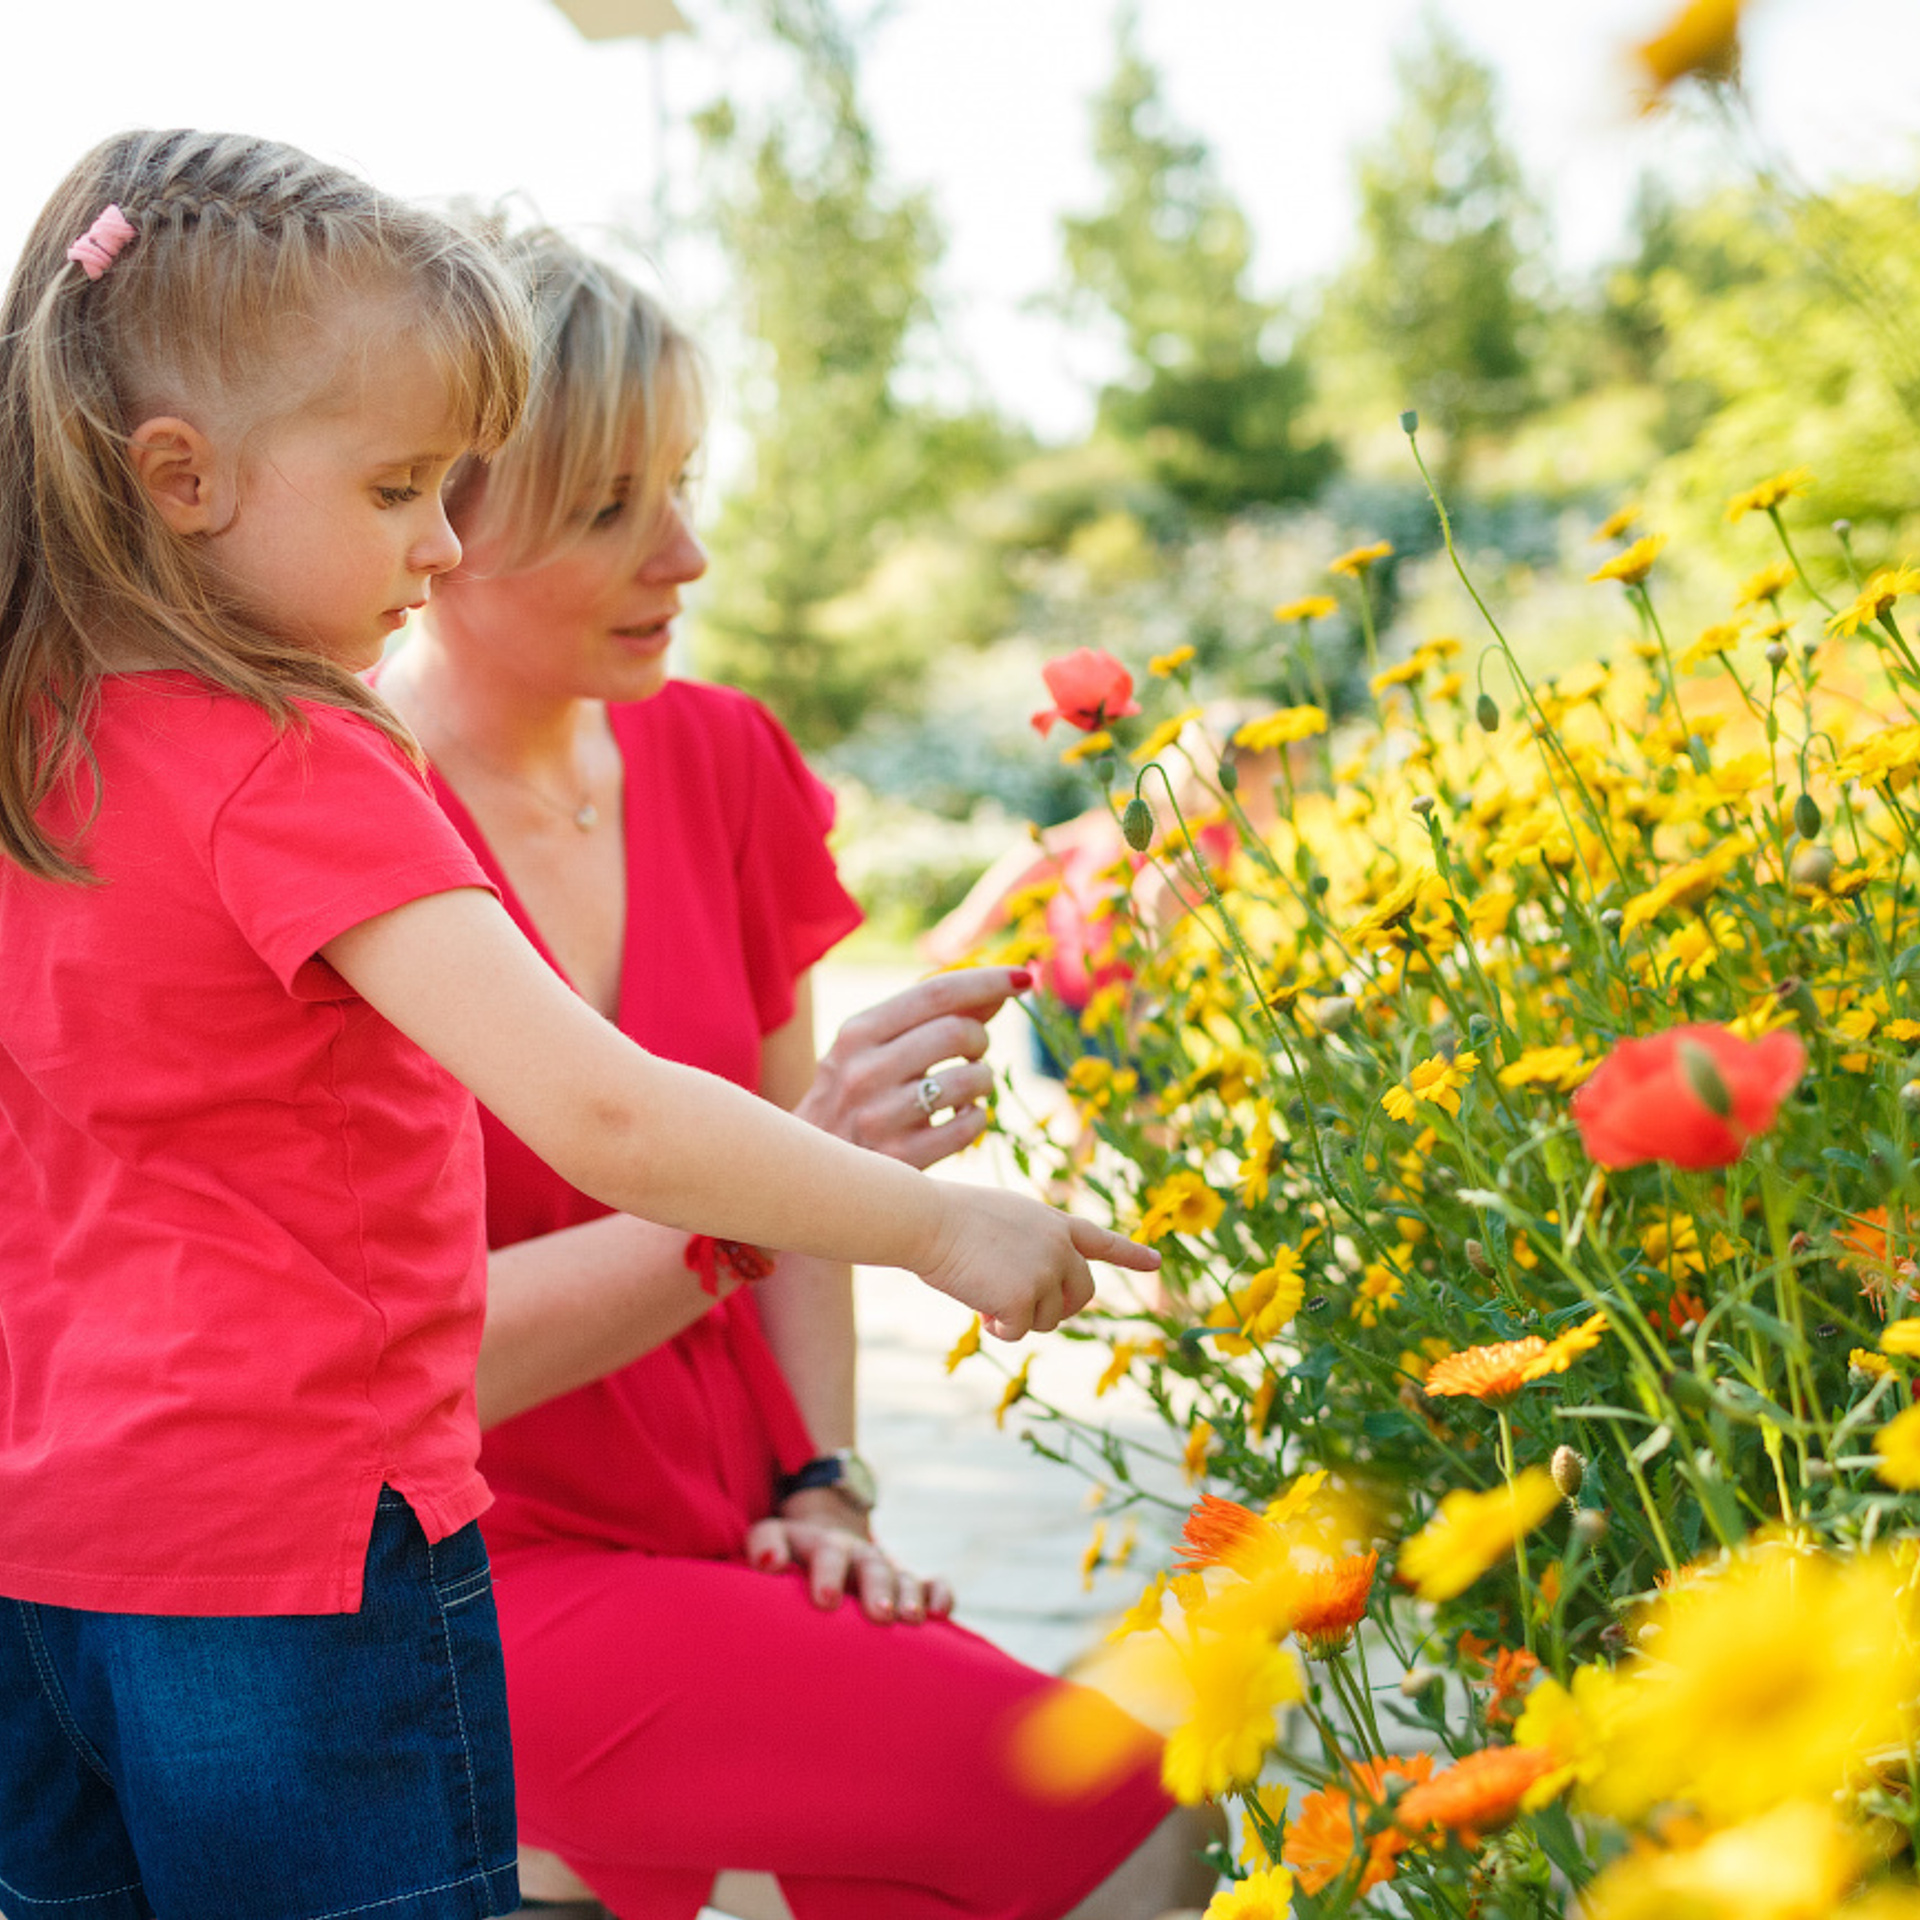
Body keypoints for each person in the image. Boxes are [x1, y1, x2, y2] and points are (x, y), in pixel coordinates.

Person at [0, 134, 1154, 1920]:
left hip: (53, 1563)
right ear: (184, 478)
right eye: (400, 490)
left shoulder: (44, 746)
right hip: (310, 1565)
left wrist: (820, 1470)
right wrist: (940, 1218)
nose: (438, 539)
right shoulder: (302, 770)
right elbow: (600, 1111)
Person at [372, 221, 1223, 1920]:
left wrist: (822, 1480)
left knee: (958, 1857)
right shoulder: (342, 818)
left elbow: (810, 1201)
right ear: (443, 521)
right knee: (1132, 1820)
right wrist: (783, 1178)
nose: (682, 554)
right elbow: (407, 1372)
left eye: (683, 486)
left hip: (726, 1531)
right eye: (610, 508)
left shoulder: (724, 757)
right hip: (458, 1580)